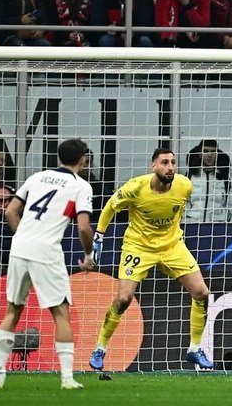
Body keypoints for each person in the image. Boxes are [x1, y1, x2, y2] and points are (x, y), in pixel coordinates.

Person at [89, 148, 214, 371]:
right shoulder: (135, 187)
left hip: (172, 246)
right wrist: (98, 237)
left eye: (173, 163)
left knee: (202, 293)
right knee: (124, 299)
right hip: (138, 247)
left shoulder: (184, 185)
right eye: (165, 162)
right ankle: (100, 348)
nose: (170, 167)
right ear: (153, 166)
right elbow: (110, 207)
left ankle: (195, 348)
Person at [0, 138, 94, 390]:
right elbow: (83, 226)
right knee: (61, 313)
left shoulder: (37, 177)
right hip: (47, 251)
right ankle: (67, 379)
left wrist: (23, 237)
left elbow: (10, 211)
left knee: (12, 310)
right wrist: (89, 255)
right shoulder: (80, 186)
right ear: (82, 159)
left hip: (20, 248)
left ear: (59, 157)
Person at [183, 139, 232, 223]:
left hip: (217, 229)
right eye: (205, 151)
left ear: (217, 155)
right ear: (200, 154)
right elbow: (182, 207)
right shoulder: (188, 178)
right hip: (193, 227)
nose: (209, 155)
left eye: (213, 151)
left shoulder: (226, 180)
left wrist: (230, 232)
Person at [77, 148, 113, 221]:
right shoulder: (70, 185)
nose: (84, 166)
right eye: (80, 163)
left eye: (87, 162)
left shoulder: (100, 187)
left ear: (92, 164)